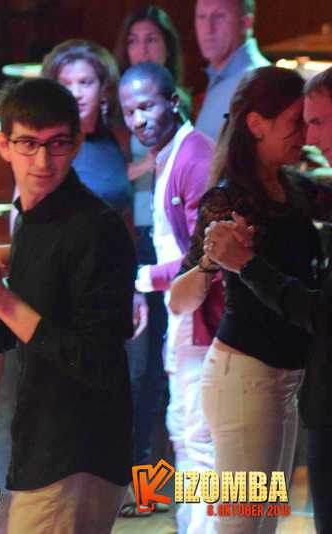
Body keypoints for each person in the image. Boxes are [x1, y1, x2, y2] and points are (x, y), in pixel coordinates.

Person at [0, 77, 136, 533]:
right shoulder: (34, 217)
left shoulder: (97, 230)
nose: (42, 160)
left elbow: (96, 359)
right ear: (3, 145)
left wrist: (3, 302)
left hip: (78, 455)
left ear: (76, 144)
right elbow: (32, 322)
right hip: (43, 445)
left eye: (56, 144)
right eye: (28, 143)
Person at [170, 66, 319, 534]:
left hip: (285, 378)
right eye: (296, 122)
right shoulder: (228, 199)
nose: (306, 134)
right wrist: (211, 261)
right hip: (246, 377)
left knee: (263, 523)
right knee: (240, 524)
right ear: (257, 124)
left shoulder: (296, 188)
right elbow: (178, 299)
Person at [119, 62, 218, 532]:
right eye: (129, 112)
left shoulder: (193, 156)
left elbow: (206, 255)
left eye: (147, 106)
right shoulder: (170, 154)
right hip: (185, 318)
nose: (138, 120)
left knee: (200, 443)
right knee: (185, 434)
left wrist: (141, 279)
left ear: (173, 101)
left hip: (203, 322)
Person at [112, 6, 187, 495]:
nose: (142, 49)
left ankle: (151, 474)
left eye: (152, 40)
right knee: (137, 364)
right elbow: (109, 179)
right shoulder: (116, 116)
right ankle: (134, 472)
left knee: (165, 361)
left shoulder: (180, 109)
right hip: (133, 241)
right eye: (135, 40)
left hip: (171, 244)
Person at [41, 39, 132, 215]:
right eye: (66, 84)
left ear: (104, 89)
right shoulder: (44, 143)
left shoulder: (120, 138)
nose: (76, 94)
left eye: (85, 83)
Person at [194, 0, 269, 141]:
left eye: (219, 16)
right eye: (201, 17)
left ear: (245, 23)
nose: (208, 29)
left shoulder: (259, 83)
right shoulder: (218, 76)